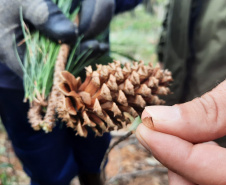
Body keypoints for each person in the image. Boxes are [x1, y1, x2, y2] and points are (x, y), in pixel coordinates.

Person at [0, 0, 142, 185]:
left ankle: (92, 177)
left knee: (94, 148)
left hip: (90, 66)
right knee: (45, 164)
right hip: (17, 72)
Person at [136, 0, 226, 184]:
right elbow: (172, 17)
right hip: (178, 82)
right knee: (182, 162)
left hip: (215, 92)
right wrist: (162, 53)